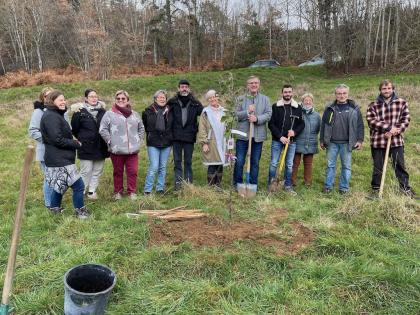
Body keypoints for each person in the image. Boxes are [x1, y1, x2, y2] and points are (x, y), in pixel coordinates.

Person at [40, 90, 89, 219]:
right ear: (52, 101)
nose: (64, 102)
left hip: (58, 158)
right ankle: (80, 212)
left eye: (64, 99)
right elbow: (57, 139)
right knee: (79, 186)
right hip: (60, 158)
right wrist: (75, 143)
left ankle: (54, 209)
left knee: (60, 185)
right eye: (60, 100)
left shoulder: (55, 114)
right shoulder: (51, 116)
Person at [366, 79, 417, 199]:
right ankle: (376, 190)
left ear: (393, 89)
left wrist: (396, 130)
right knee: (378, 167)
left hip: (396, 141)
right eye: (384, 88)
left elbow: (406, 119)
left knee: (399, 165)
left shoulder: (401, 103)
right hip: (378, 141)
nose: (386, 90)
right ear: (380, 90)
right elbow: (371, 121)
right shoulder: (373, 105)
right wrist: (388, 128)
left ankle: (405, 189)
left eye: (389, 88)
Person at [99, 90, 144, 200]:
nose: (120, 100)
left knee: (132, 172)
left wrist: (138, 141)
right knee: (118, 172)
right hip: (117, 150)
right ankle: (118, 192)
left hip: (132, 150)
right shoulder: (109, 113)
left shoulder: (135, 114)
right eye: (118, 98)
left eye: (123, 98)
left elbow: (141, 128)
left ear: (127, 100)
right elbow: (103, 129)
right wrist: (110, 141)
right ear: (115, 100)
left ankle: (131, 192)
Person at [320, 84, 364, 194]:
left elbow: (360, 125)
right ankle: (328, 186)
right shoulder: (329, 108)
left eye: (344, 93)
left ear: (348, 94)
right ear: (335, 94)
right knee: (330, 165)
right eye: (339, 93)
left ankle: (344, 188)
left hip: (347, 143)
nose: (342, 95)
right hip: (332, 143)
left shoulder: (354, 108)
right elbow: (323, 125)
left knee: (346, 166)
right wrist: (322, 140)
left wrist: (359, 140)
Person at [233, 76, 272, 189]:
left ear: (259, 85)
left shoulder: (265, 99)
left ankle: (252, 184)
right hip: (242, 136)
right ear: (247, 85)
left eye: (256, 83)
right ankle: (237, 183)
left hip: (257, 137)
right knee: (239, 161)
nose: (254, 85)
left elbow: (269, 114)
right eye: (251, 83)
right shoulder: (240, 99)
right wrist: (247, 112)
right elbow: (235, 115)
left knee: (255, 162)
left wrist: (257, 119)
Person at [71, 89, 109, 200]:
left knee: (97, 170)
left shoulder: (103, 111)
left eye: (95, 96)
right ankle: (81, 192)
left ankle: (92, 192)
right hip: (86, 146)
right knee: (86, 171)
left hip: (101, 146)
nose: (94, 98)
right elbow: (74, 129)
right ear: (86, 98)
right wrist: (83, 138)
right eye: (91, 96)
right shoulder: (79, 111)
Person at [268, 84, 304, 195]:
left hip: (291, 141)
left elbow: (301, 124)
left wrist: (294, 132)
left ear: (292, 93)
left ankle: (288, 186)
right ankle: (271, 185)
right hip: (277, 139)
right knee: (274, 163)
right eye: (285, 92)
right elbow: (271, 124)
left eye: (289, 92)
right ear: (282, 93)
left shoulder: (297, 107)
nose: (287, 94)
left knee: (289, 164)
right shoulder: (275, 106)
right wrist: (280, 137)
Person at [167, 79, 203, 189]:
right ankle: (178, 183)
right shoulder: (172, 102)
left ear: (189, 88)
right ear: (178, 88)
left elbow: (204, 114)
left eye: (186, 87)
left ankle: (188, 183)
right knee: (177, 161)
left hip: (189, 136)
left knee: (188, 161)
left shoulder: (195, 102)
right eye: (182, 87)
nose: (184, 89)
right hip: (176, 136)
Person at [28, 87, 55, 209]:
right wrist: (49, 140)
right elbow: (33, 131)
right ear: (42, 98)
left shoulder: (59, 110)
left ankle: (55, 202)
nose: (49, 98)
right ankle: (49, 204)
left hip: (59, 152)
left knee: (56, 177)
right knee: (49, 178)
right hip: (45, 151)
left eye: (51, 95)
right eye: (46, 96)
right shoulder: (38, 112)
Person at [142, 90, 173, 194]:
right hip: (153, 142)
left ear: (166, 99)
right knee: (154, 166)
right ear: (155, 99)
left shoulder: (170, 111)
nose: (162, 99)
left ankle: (160, 188)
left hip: (166, 142)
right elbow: (145, 126)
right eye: (159, 97)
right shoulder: (148, 111)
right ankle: (148, 190)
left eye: (164, 97)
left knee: (163, 167)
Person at [198, 90, 228, 186]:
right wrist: (204, 143)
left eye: (213, 97)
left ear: (217, 97)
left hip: (223, 141)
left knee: (220, 162)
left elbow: (228, 127)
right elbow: (202, 128)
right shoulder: (206, 112)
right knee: (212, 162)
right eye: (210, 98)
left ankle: (218, 185)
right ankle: (211, 186)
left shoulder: (224, 111)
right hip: (211, 141)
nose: (212, 99)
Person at [291, 93, 321, 187]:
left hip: (310, 142)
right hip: (297, 141)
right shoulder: (298, 113)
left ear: (312, 102)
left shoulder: (316, 116)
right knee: (295, 163)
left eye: (309, 100)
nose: (307, 102)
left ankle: (307, 182)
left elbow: (318, 129)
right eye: (305, 100)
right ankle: (292, 182)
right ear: (302, 102)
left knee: (308, 163)